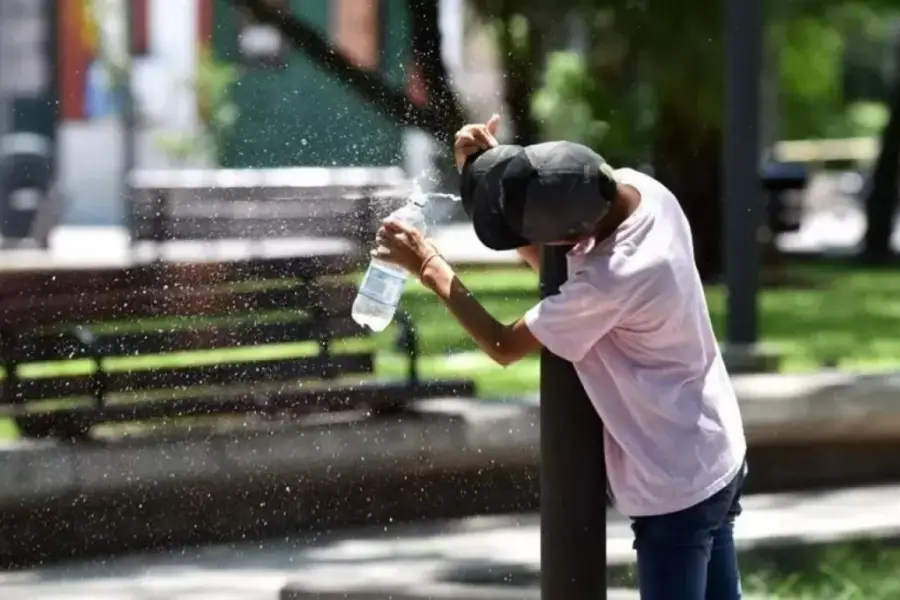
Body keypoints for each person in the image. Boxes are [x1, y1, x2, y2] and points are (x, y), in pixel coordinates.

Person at [372, 114, 747, 600]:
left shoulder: (612, 279)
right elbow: (556, 248)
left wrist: (428, 265)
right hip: (716, 448)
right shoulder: (642, 191)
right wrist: (487, 174)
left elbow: (503, 344)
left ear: (571, 237)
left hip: (676, 482)